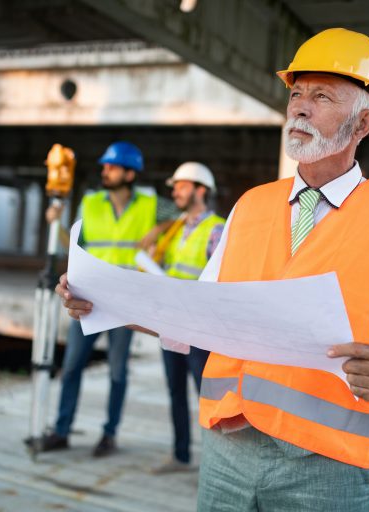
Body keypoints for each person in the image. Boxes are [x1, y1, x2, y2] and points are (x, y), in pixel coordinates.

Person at [57, 28, 369, 511]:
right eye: (297, 93)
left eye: (321, 96)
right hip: (226, 454)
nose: (300, 108)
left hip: (329, 469)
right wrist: (105, 301)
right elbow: (196, 318)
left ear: (363, 124)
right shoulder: (250, 207)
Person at [37, 141, 176, 457]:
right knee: (71, 366)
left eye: (111, 167)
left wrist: (157, 230)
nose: (105, 171)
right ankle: (61, 431)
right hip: (89, 299)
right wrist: (56, 223)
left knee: (117, 372)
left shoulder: (151, 203)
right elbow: (75, 246)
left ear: (129, 173)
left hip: (126, 304)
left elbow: (181, 215)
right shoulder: (91, 202)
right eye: (105, 167)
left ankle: (109, 435)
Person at [145, 162, 225, 474]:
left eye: (181, 185)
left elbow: (220, 282)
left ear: (200, 190)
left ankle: (216, 465)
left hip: (199, 330)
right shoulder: (175, 227)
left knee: (206, 396)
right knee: (175, 390)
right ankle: (180, 456)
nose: (175, 191)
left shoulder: (216, 228)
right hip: (171, 325)